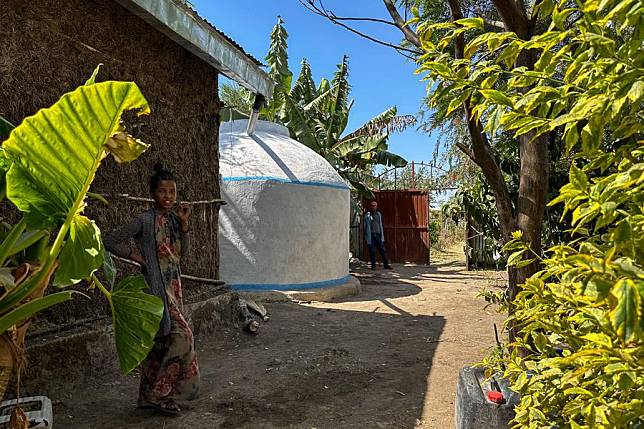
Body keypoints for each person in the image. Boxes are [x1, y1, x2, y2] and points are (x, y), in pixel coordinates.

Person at [104, 163, 199, 415]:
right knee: (183, 337)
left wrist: (185, 226)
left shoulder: (174, 219)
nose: (168, 197)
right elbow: (109, 240)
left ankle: (146, 398)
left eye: (172, 192)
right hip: (156, 289)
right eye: (162, 192)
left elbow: (181, 256)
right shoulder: (143, 221)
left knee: (159, 343)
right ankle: (162, 394)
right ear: (152, 193)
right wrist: (135, 255)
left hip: (173, 288)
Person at [364, 201, 393, 270]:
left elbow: (380, 224)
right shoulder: (367, 215)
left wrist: (381, 235)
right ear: (370, 206)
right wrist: (366, 236)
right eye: (372, 205)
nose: (373, 207)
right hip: (371, 235)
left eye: (375, 206)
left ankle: (386, 264)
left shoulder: (378, 214)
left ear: (376, 206)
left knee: (382, 250)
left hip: (378, 235)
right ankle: (373, 266)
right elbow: (365, 226)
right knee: (372, 251)